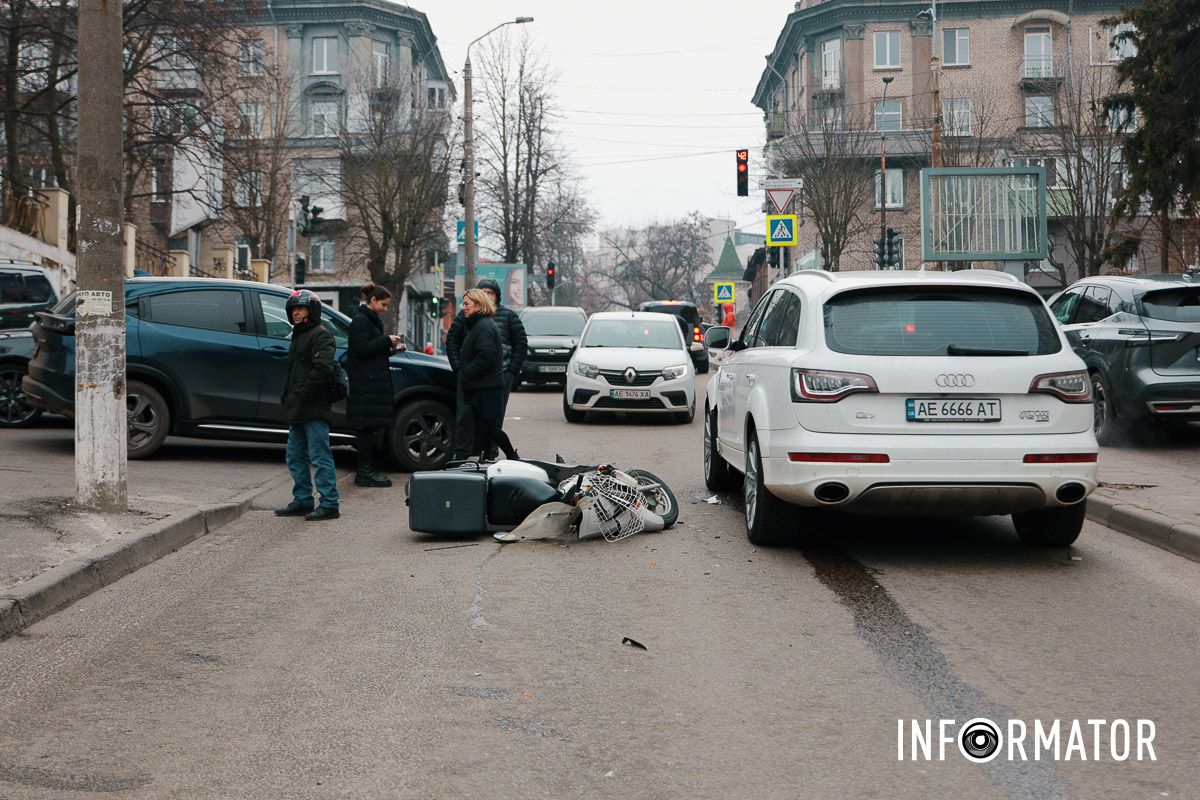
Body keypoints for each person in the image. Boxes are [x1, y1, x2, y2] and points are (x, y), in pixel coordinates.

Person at [275, 289, 340, 521]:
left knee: (320, 455)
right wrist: (288, 395)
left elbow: (323, 369)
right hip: (298, 407)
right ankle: (302, 500)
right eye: (293, 310)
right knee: (294, 455)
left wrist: (303, 393)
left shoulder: (321, 335)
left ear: (312, 311)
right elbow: (295, 371)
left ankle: (330, 503)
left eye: (301, 309)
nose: (296, 313)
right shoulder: (299, 335)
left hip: (314, 407)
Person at [346, 283, 402, 488]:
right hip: (366, 382)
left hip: (371, 381)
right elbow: (361, 349)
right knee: (366, 429)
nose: (386, 309)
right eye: (384, 305)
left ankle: (367, 470)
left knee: (370, 429)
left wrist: (390, 348)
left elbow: (371, 350)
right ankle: (365, 472)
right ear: (373, 301)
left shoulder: (369, 320)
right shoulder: (361, 320)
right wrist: (386, 340)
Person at [457, 288, 519, 461]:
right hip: (484, 387)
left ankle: (513, 456)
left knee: (489, 428)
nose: (464, 307)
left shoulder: (483, 326)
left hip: (487, 389)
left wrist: (467, 372)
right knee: (485, 428)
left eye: (467, 304)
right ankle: (484, 460)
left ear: (478, 305)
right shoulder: (480, 324)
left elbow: (487, 355)